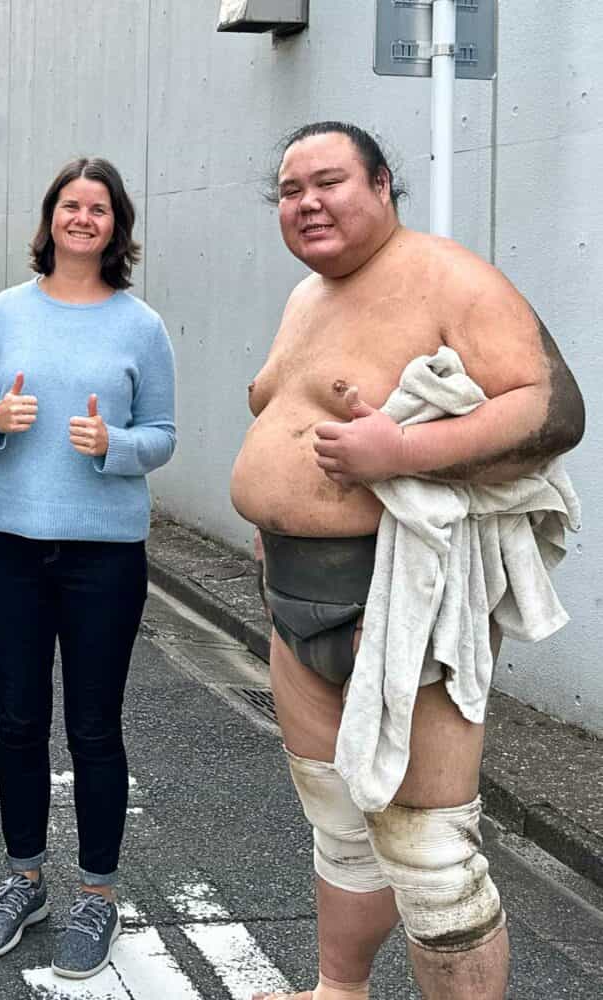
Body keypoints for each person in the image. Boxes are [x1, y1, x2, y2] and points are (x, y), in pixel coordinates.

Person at [231, 122, 585, 1000]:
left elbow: (551, 408)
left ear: (383, 185)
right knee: (339, 824)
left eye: (328, 182)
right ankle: (336, 992)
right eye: (288, 190)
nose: (306, 202)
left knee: (429, 855)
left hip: (402, 599)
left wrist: (399, 455)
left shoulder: (446, 276)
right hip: (292, 594)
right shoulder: (306, 298)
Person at [0, 157, 177, 980]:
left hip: (104, 552)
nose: (83, 218)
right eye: (71, 205)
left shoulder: (139, 325)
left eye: (99, 208)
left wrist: (114, 446)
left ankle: (98, 892)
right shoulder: (1, 314)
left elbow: (163, 434)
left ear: (116, 227)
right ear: (49, 221)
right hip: (7, 543)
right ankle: (23, 878)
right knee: (16, 720)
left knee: (93, 725)